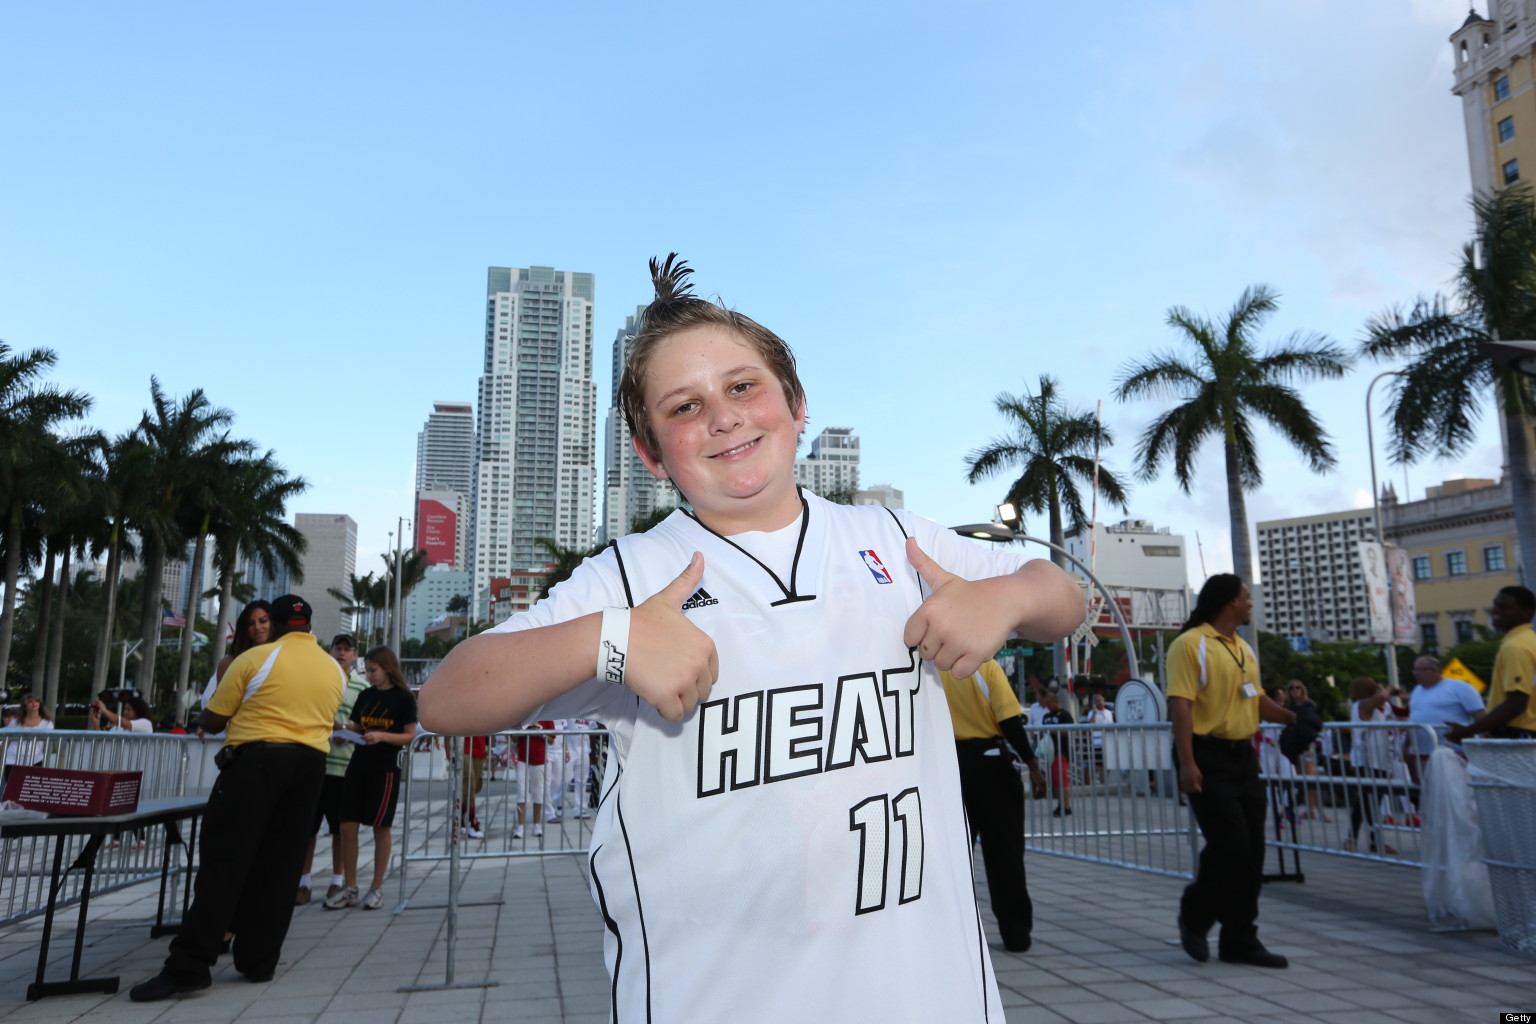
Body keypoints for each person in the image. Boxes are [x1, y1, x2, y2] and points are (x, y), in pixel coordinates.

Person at [417, 254, 1083, 1021]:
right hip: (716, 995)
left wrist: (1009, 595)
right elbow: (447, 698)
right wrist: (608, 641)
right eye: (684, 406)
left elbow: (1062, 599)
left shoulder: (896, 539)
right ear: (649, 453)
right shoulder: (632, 577)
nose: (724, 418)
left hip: (929, 992)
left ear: (796, 405)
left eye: (742, 387)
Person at [129, 595, 344, 1001]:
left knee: (224, 864)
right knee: (280, 867)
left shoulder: (255, 659)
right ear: (309, 626)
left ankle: (190, 966)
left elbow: (212, 718)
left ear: (276, 625)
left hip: (257, 764)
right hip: (310, 768)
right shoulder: (333, 668)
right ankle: (259, 960)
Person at [1168, 574, 1296, 969]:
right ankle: (1195, 914)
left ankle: (1239, 939)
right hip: (1206, 756)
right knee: (1231, 846)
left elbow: (1255, 700)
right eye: (1245, 597)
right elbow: (1181, 705)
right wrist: (1188, 764)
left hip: (1243, 756)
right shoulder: (1190, 645)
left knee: (1253, 851)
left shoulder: (1243, 649)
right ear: (1228, 602)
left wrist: (1296, 717)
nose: (1250, 603)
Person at [941, 660, 1047, 953]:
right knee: (1005, 854)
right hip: (992, 766)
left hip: (950, 765)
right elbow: (1010, 720)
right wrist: (1033, 766)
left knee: (955, 856)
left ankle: (951, 936)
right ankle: (1016, 934)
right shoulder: (984, 665)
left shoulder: (933, 667)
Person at [324, 645, 417, 912]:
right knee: (347, 825)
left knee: (380, 827)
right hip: (357, 765)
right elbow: (358, 726)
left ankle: (376, 888)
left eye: (373, 670)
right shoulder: (365, 695)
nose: (370, 675)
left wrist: (383, 736)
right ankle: (350, 887)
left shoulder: (403, 698)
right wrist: (342, 732)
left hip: (385, 769)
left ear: (387, 668)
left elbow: (410, 734)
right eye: (367, 670)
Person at [298, 634, 370, 904]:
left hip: (345, 767)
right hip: (314, 762)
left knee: (341, 828)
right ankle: (303, 882)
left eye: (347, 649)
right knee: (308, 828)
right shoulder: (317, 680)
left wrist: (345, 731)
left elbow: (367, 724)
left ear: (355, 655)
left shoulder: (363, 687)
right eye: (337, 648)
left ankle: (337, 880)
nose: (341, 653)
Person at [1447, 586, 1536, 742]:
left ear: (1526, 612)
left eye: (1505, 607)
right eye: (1495, 605)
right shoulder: (1529, 640)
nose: (1495, 610)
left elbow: (1517, 703)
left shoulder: (1516, 647)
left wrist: (1468, 731)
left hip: (1518, 736)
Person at [1407, 656, 1484, 761]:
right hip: (1423, 753)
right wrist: (1406, 745)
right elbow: (1413, 720)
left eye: (1419, 670)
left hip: (1455, 752)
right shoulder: (1416, 690)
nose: (1415, 673)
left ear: (1433, 670)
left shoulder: (1460, 687)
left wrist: (1485, 742)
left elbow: (1480, 715)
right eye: (1414, 670)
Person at [2, 693, 54, 787]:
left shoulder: (47, 723)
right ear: (25, 706)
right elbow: (6, 741)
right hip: (12, 760)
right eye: (30, 701)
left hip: (35, 760)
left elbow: (47, 745)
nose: (34, 703)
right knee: (11, 788)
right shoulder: (15, 722)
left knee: (31, 789)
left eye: (36, 701)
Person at [1041, 691, 1074, 817]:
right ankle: (1060, 804)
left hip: (1061, 751)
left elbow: (1068, 731)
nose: (1048, 707)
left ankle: (1066, 806)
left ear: (1056, 702)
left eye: (1050, 705)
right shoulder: (1046, 716)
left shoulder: (1065, 715)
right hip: (1050, 752)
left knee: (1062, 780)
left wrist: (1053, 731)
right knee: (1055, 781)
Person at [1084, 692, 1113, 783]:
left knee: (1108, 764)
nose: (1099, 703)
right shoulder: (1092, 713)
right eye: (1097, 701)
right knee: (1099, 765)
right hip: (1097, 743)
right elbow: (1090, 725)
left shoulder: (1109, 713)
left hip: (1108, 741)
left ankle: (1103, 780)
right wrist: (1095, 713)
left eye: (1100, 700)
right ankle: (1100, 782)